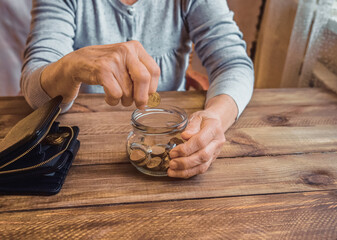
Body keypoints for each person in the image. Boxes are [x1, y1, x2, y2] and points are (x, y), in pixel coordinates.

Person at [21, 0, 254, 178]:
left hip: (174, 135)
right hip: (80, 157)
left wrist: (215, 116)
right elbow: (34, 89)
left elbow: (233, 63)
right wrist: (70, 66)